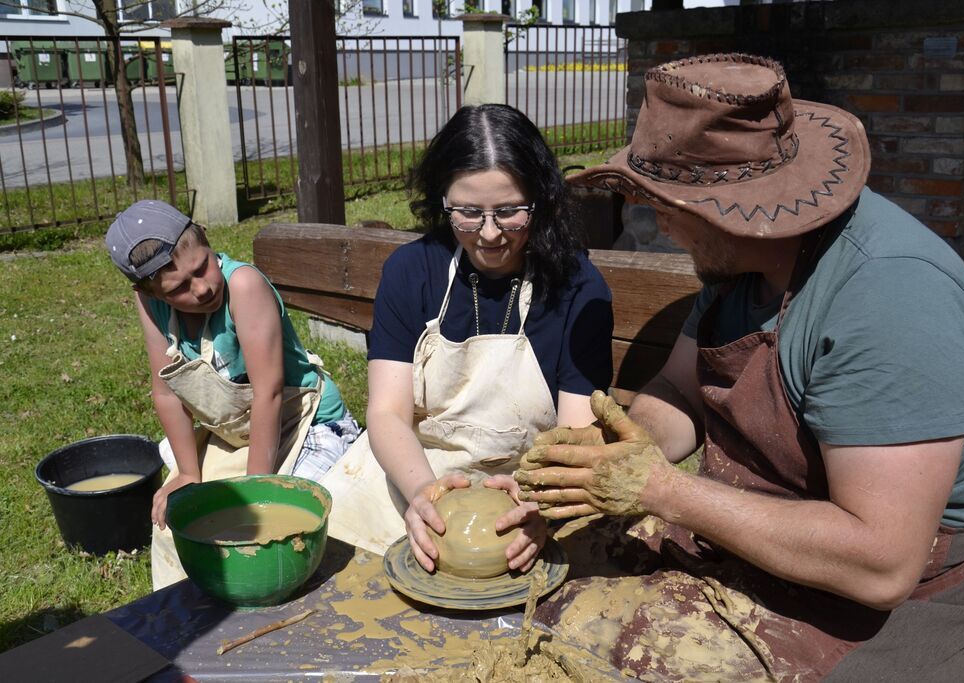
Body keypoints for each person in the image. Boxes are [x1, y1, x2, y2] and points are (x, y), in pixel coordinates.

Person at [514, 54, 964, 681]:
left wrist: (661, 489)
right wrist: (625, 447)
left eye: (669, 204)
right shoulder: (742, 262)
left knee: (618, 664)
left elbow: (882, 562)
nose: (657, 221)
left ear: (737, 205)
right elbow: (679, 387)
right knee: (550, 602)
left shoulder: (890, 300)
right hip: (760, 541)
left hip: (893, 599)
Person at [325, 104, 613, 573]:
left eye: (509, 212)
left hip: (526, 488)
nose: (490, 234)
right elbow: (387, 412)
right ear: (443, 201)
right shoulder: (410, 272)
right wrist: (423, 493)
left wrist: (540, 506)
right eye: (468, 213)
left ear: (540, 198)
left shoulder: (577, 288)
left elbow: (578, 437)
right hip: (413, 468)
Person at [105, 200, 360, 589]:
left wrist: (256, 491)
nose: (202, 288)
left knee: (283, 528)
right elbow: (167, 392)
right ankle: (192, 618)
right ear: (150, 292)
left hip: (303, 421)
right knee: (177, 521)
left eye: (202, 267)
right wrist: (188, 473)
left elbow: (270, 393)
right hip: (236, 431)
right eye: (179, 289)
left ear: (205, 238)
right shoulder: (149, 303)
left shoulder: (243, 285)